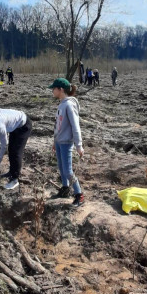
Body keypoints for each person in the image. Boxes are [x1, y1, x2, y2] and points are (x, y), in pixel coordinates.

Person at [48, 77, 84, 207]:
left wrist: (79, 145)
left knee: (68, 171)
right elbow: (58, 124)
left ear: (61, 89)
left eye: (54, 88)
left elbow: (76, 126)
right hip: (59, 141)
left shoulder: (69, 104)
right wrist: (54, 141)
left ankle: (79, 194)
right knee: (61, 168)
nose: (52, 91)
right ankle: (65, 188)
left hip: (66, 142)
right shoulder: (62, 103)